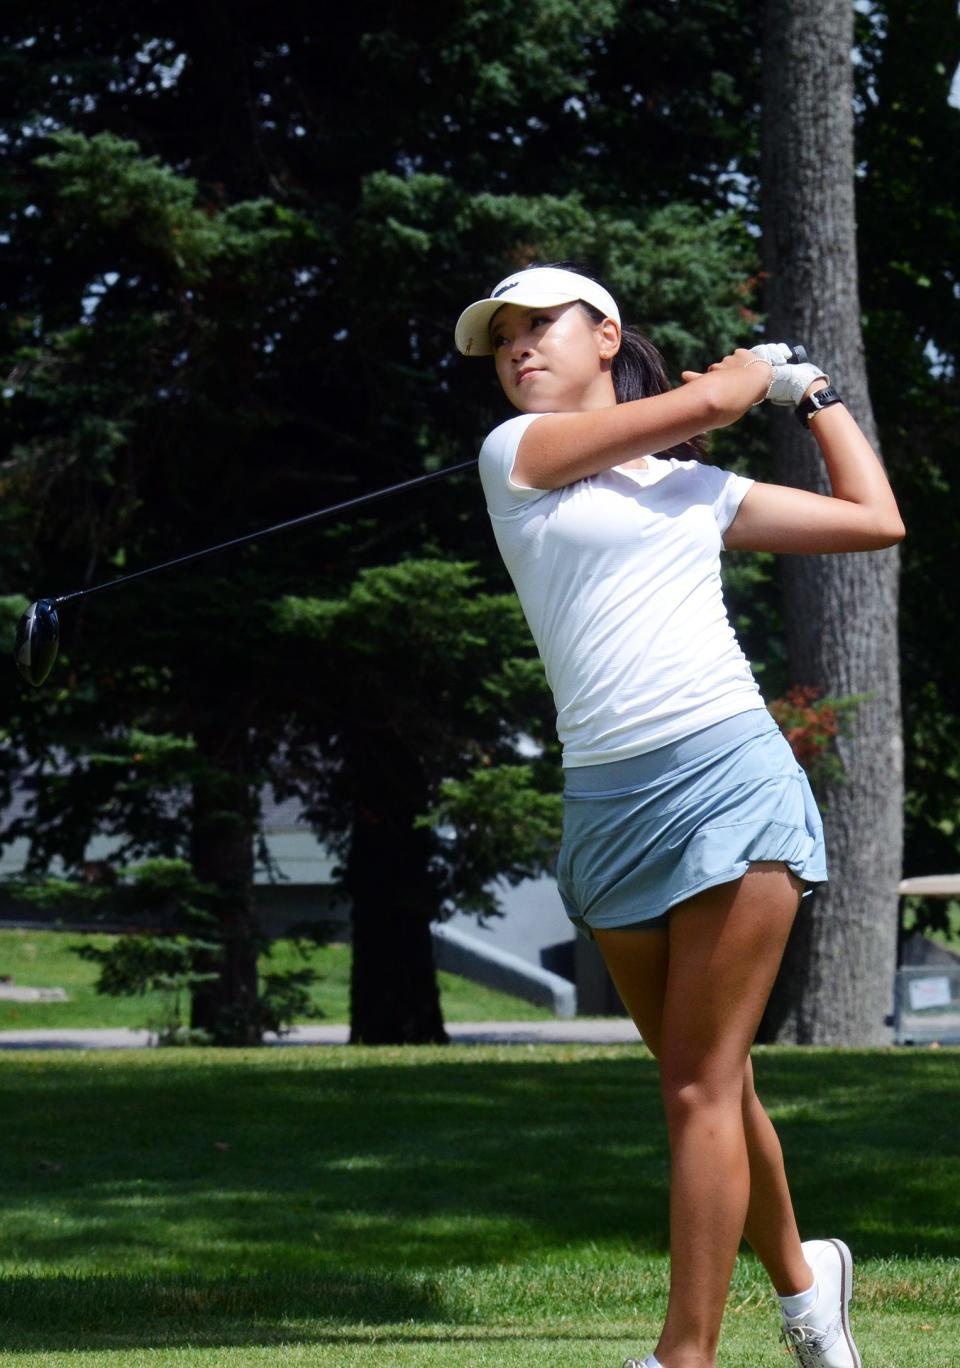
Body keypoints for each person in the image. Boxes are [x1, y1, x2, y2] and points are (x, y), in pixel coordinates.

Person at [455, 263, 904, 1368]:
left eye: (539, 328)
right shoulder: (513, 458)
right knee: (710, 1080)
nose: (518, 351)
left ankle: (682, 1357)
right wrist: (749, 375)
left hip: (727, 779)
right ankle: (808, 1288)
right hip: (606, 806)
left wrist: (812, 394)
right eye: (502, 340)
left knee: (699, 1084)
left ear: (606, 335)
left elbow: (874, 520)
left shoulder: (694, 493)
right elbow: (707, 401)